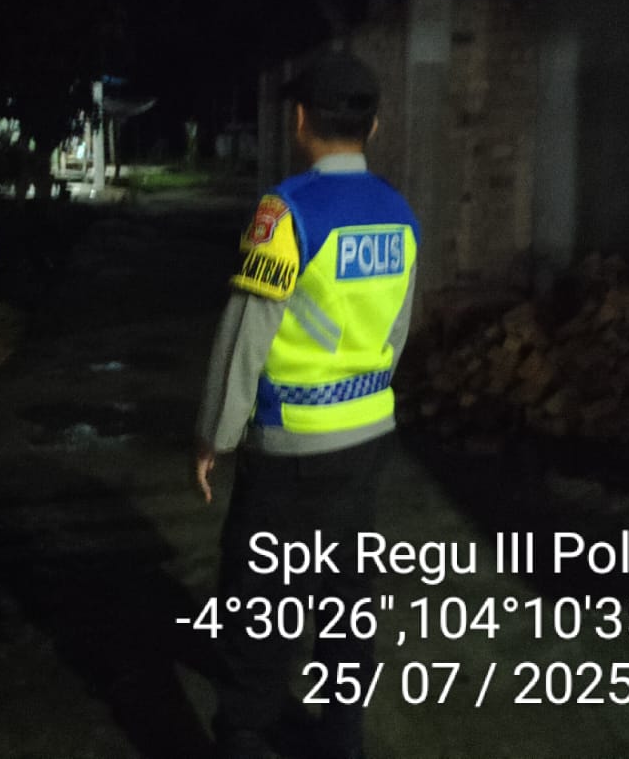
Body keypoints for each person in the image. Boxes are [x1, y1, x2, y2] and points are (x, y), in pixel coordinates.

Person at [194, 51, 419, 759]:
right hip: (367, 439)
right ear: (373, 126)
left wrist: (215, 435)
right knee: (346, 595)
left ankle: (246, 734)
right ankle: (341, 739)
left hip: (288, 448)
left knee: (259, 599)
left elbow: (245, 335)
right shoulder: (400, 214)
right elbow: (398, 327)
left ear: (299, 122)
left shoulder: (285, 210)